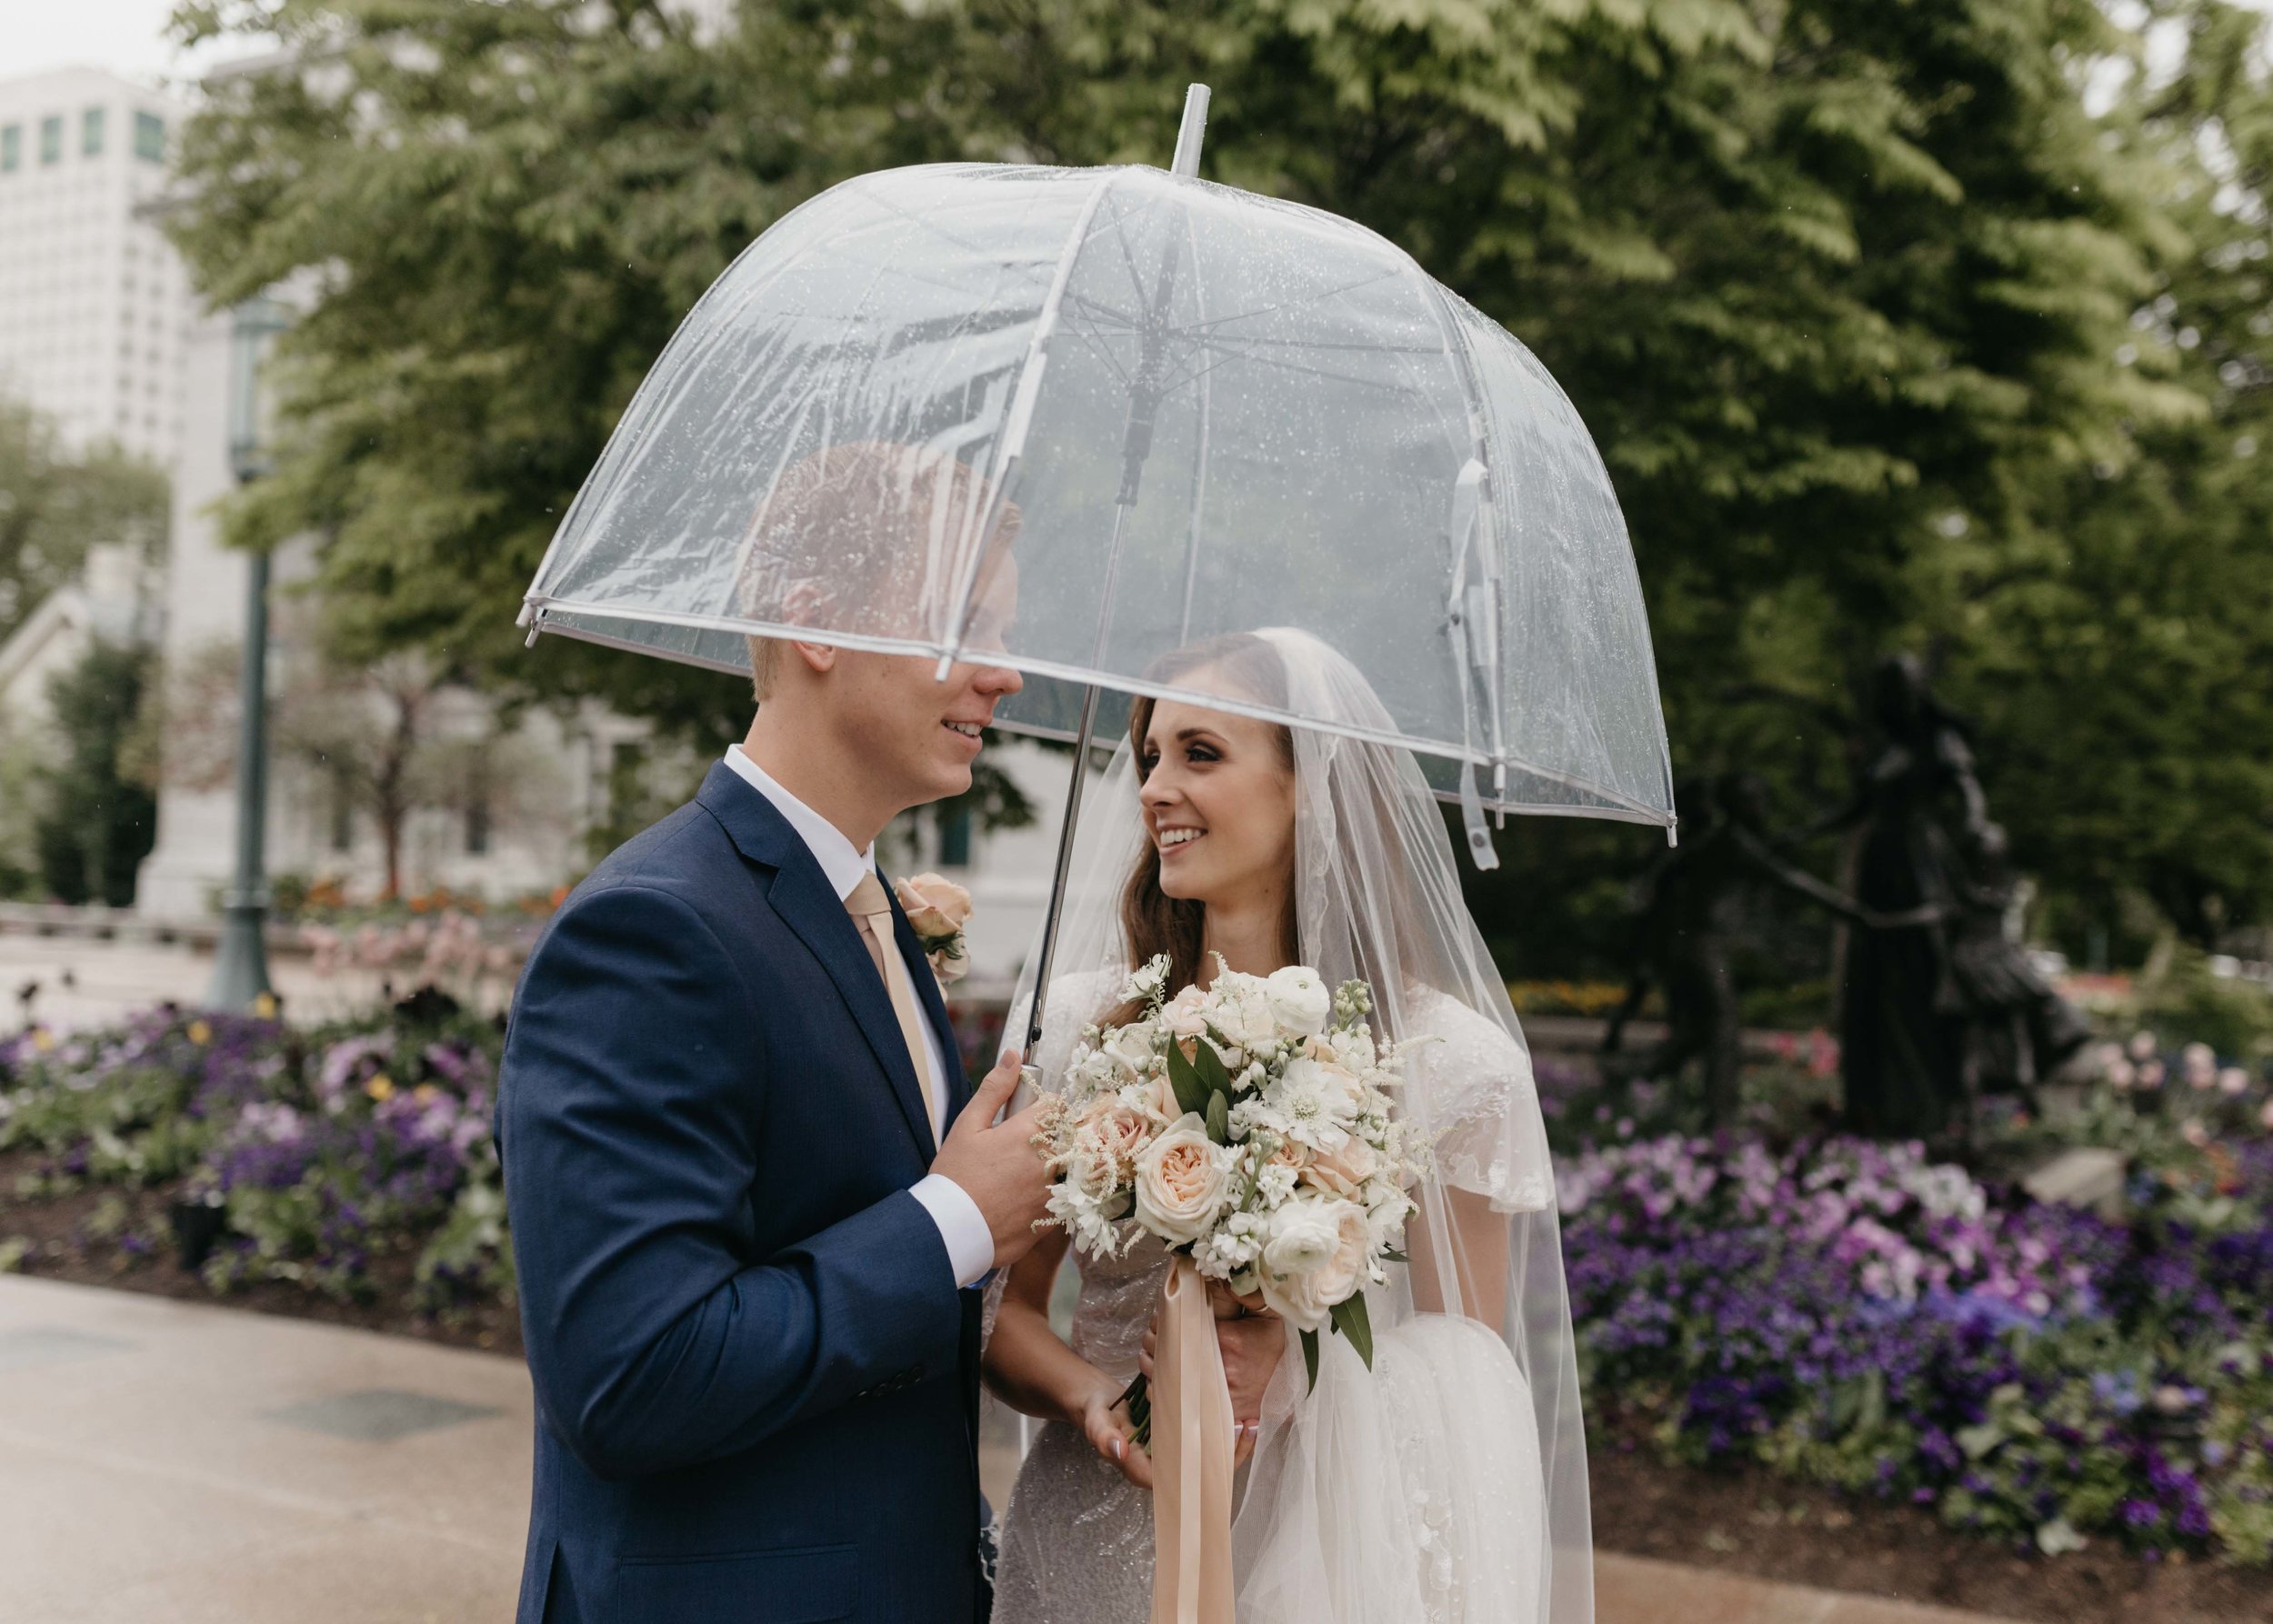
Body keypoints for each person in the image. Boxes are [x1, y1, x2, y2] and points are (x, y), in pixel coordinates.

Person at [496, 441, 1052, 1624]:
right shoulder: (654, 930)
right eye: (962, 623)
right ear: (818, 625)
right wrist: (953, 1220)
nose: (1004, 674)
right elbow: (633, 1375)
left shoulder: (872, 917)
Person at [983, 628, 1590, 1624]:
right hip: (1093, 1534)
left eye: (1201, 753)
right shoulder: (1083, 1027)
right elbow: (1001, 1312)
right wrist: (1096, 1396)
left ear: (1312, 782)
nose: (1153, 789)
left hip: (1323, 1552)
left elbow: (1467, 1383)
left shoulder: (1453, 1066)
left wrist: (1302, 1373)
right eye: (1150, 756)